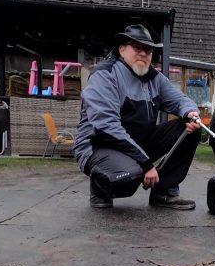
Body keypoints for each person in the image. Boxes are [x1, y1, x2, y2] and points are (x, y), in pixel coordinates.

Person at [74, 24, 201, 210]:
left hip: (137, 144)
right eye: (137, 47)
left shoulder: (155, 79)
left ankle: (163, 193)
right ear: (122, 49)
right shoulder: (104, 75)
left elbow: (181, 101)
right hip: (100, 145)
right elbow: (105, 127)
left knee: (189, 129)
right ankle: (101, 187)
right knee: (131, 175)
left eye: (148, 50)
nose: (143, 53)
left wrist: (191, 114)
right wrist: (146, 164)